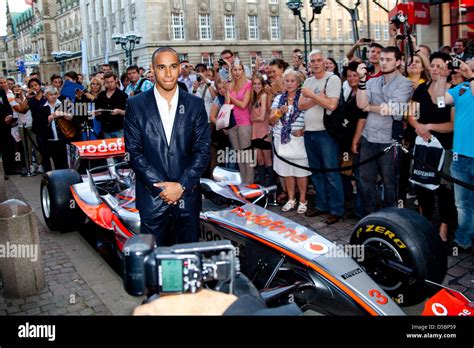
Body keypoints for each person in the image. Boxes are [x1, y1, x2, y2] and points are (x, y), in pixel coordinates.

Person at [124, 46, 210, 246]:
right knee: (155, 262)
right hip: (152, 198)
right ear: (152, 71)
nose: (168, 73)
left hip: (187, 197)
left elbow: (203, 150)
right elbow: (134, 152)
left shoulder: (195, 104)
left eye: (173, 66)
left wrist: (181, 186)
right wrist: (162, 188)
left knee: (188, 260)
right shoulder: (136, 105)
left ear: (180, 68)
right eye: (161, 67)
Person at [356, 46, 413, 214]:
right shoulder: (372, 81)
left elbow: (393, 109)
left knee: (390, 182)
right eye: (382, 59)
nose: (384, 62)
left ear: (398, 62)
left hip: (389, 140)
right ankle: (372, 215)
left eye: (388, 59)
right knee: (365, 180)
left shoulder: (405, 83)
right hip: (369, 137)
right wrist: (361, 79)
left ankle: (391, 217)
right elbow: (360, 104)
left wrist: (370, 107)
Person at [408, 52, 456, 243]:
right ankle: (425, 223)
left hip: (445, 148)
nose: (435, 69)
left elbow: (453, 125)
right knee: (422, 184)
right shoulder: (421, 88)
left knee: (444, 190)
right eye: (433, 66)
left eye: (439, 66)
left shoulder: (453, 92)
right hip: (422, 145)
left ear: (448, 69)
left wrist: (429, 127)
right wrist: (418, 126)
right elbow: (411, 114)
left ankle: (444, 228)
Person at [432, 58, 474, 251]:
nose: (467, 64)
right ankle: (463, 240)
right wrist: (442, 77)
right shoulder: (462, 87)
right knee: (462, 204)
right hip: (459, 157)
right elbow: (439, 101)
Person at [299, 49, 344, 224]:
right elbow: (301, 106)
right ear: (309, 64)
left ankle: (336, 209)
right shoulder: (308, 80)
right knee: (316, 172)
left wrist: (311, 96)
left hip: (326, 133)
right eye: (312, 61)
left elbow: (332, 105)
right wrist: (317, 98)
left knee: (331, 173)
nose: (316, 63)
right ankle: (322, 205)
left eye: (319, 60)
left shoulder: (332, 79)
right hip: (309, 132)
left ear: (324, 61)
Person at [271, 70, 310, 214]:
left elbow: (311, 117)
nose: (289, 83)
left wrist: (303, 130)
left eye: (292, 80)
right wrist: (279, 112)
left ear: (299, 82)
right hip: (281, 139)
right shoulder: (278, 98)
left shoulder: (305, 98)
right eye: (286, 81)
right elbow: (271, 120)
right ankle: (291, 199)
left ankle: (303, 200)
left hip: (299, 139)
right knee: (286, 171)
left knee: (301, 171)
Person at [225, 61, 254, 184]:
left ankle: (249, 183)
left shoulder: (248, 84)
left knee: (246, 155)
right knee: (239, 155)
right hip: (232, 123)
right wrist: (227, 94)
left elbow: (243, 105)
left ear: (243, 70)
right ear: (232, 71)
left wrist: (230, 97)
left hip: (244, 122)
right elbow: (227, 104)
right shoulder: (229, 85)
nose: (237, 72)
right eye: (234, 70)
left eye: (239, 69)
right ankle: (243, 183)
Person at [38, 87, 73, 171]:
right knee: (50, 162)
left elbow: (72, 118)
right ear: (46, 95)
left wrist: (64, 114)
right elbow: (39, 124)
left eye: (55, 94)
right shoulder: (42, 107)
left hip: (63, 138)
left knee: (64, 163)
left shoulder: (64, 104)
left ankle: (65, 181)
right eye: (51, 94)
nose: (53, 96)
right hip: (49, 139)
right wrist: (49, 118)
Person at [250, 74, 273, 186]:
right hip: (255, 133)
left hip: (264, 132)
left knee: (268, 161)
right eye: (254, 84)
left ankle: (272, 190)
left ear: (263, 85)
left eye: (259, 84)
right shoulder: (253, 97)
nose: (257, 86)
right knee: (260, 161)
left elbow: (262, 117)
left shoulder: (264, 95)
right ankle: (263, 189)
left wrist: (250, 119)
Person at [95, 72, 128, 139]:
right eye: (107, 82)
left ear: (115, 80)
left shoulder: (122, 95)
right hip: (106, 129)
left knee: (121, 149)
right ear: (105, 82)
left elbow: (129, 112)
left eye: (111, 82)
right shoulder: (101, 95)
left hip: (119, 129)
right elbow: (97, 109)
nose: (110, 84)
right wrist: (98, 113)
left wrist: (119, 111)